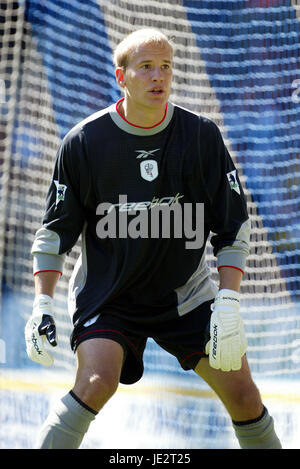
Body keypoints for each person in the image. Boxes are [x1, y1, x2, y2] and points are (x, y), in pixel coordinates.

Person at [24, 28, 282, 449]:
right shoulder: (85, 142)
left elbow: (232, 227)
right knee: (95, 382)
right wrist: (40, 305)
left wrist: (229, 304)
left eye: (165, 67)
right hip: (111, 297)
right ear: (120, 76)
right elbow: (54, 233)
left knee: (245, 396)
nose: (158, 76)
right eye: (145, 67)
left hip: (187, 296)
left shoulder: (201, 136)